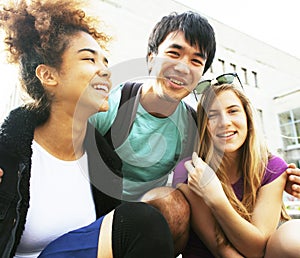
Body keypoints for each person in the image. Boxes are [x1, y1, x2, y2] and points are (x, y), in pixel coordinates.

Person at [0, 0, 174, 257]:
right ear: (49, 76)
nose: (105, 70)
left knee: (146, 218)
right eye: (89, 59)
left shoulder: (105, 161)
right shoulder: (8, 156)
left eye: (105, 61)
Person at [173, 81, 300, 257]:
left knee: (293, 234)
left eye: (233, 111)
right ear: (204, 126)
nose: (224, 123)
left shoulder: (272, 167)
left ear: (248, 118)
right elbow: (220, 247)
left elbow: (256, 249)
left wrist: (215, 197)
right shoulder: (191, 170)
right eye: (212, 115)